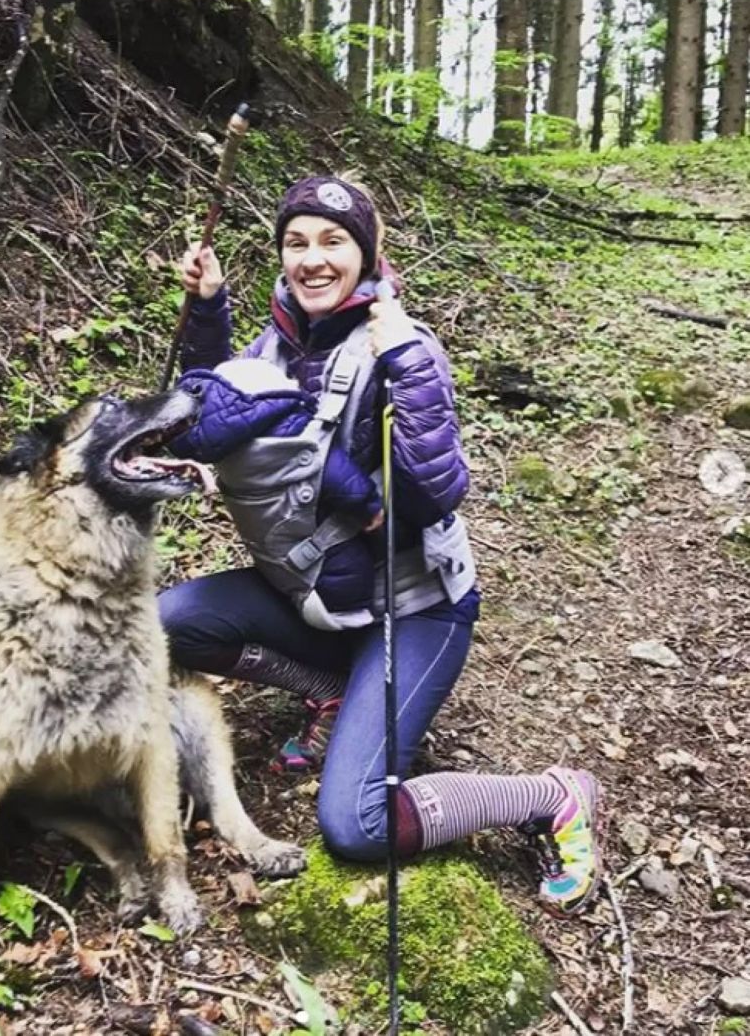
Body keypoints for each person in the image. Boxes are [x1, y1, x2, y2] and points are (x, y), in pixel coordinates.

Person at [159, 174, 602, 915]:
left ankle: (551, 794)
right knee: (169, 623)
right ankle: (335, 691)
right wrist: (207, 312)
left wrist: (413, 372)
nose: (313, 259)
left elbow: (432, 499)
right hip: (319, 596)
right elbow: (211, 406)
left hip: (415, 608)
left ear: (367, 255)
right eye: (297, 242)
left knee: (355, 824)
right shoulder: (272, 346)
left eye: (334, 241)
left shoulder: (401, 347)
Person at [167, 356, 384, 632]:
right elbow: (337, 474)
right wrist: (368, 505)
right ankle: (352, 639)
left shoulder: (221, 446)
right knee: (348, 561)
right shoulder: (293, 432)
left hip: (282, 570)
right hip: (334, 584)